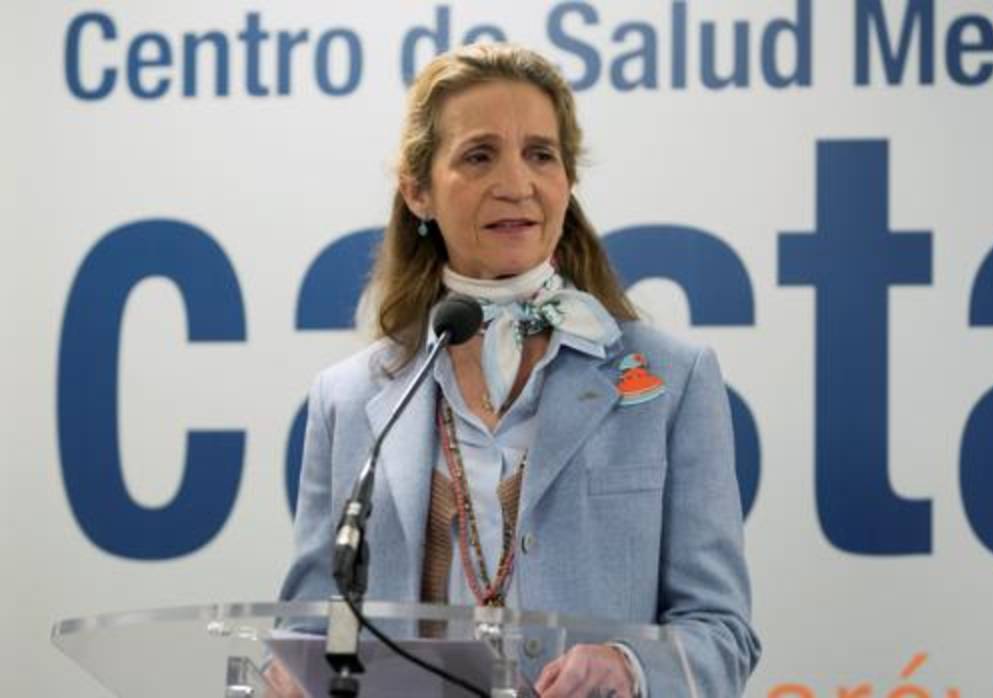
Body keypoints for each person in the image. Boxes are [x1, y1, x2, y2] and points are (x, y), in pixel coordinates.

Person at [275, 43, 759, 697]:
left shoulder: (673, 380)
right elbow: (311, 630)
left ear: (567, 180)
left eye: (540, 154)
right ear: (418, 190)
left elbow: (722, 634)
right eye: (479, 156)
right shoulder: (347, 398)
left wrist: (630, 667)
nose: (517, 183)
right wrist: (294, 677)